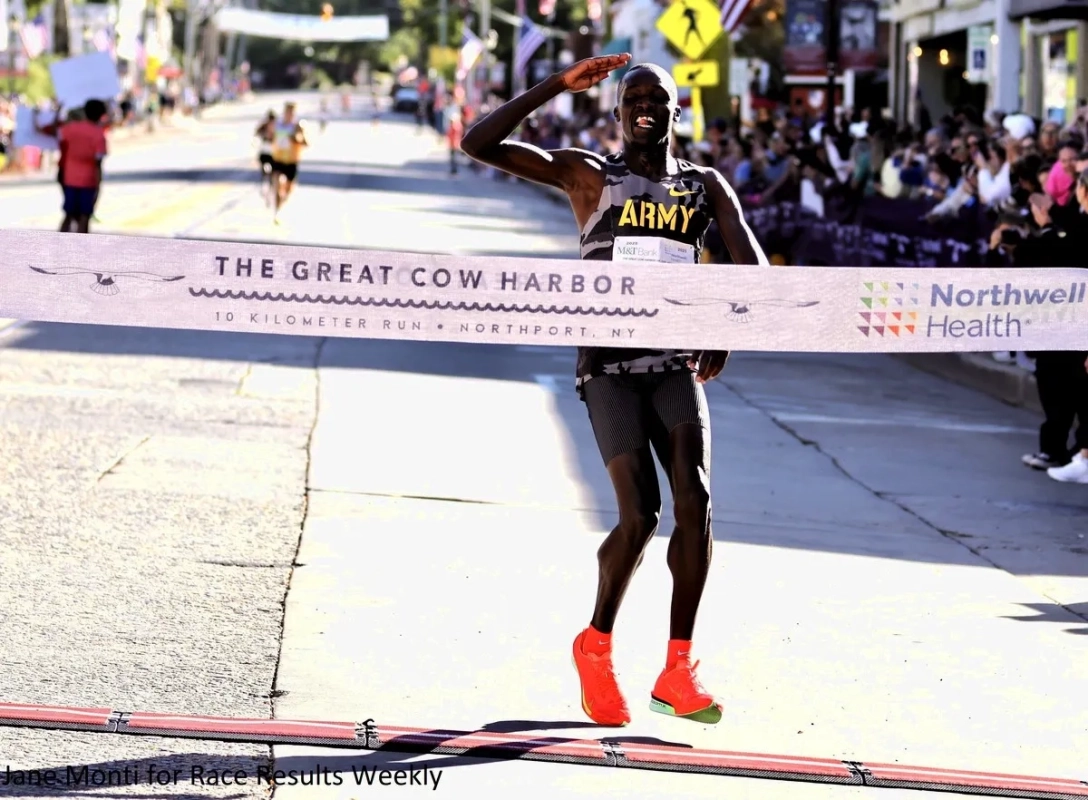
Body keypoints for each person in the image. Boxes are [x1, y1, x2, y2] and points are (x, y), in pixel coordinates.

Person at [460, 56, 768, 727]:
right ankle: (595, 645)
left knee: (696, 502)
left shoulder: (704, 186)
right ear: (618, 110)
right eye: (633, 98)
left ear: (677, 111)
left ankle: (678, 669)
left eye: (657, 98)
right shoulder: (589, 175)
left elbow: (756, 270)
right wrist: (554, 86)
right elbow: (476, 143)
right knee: (641, 515)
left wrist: (723, 328)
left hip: (673, 362)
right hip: (607, 366)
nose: (644, 107)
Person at [48, 99, 109, 234]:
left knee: (69, 215)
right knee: (84, 217)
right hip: (88, 181)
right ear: (101, 115)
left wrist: (57, 112)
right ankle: (82, 246)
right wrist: (98, 186)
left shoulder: (72, 128)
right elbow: (98, 164)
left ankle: (58, 243)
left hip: (70, 179)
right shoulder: (99, 134)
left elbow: (54, 132)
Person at [269, 101, 308, 225]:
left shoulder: (298, 126)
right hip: (278, 160)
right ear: (284, 112)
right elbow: (269, 136)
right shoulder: (277, 125)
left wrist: (297, 138)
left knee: (287, 191)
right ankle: (276, 212)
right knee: (277, 186)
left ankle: (281, 207)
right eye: (288, 111)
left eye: (292, 112)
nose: (290, 114)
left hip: (292, 161)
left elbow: (306, 143)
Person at [254, 110, 277, 205]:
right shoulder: (264, 126)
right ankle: (264, 186)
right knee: (264, 171)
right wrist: (263, 134)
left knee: (272, 174)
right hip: (264, 152)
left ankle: (270, 192)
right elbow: (256, 132)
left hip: (273, 153)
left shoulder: (277, 127)